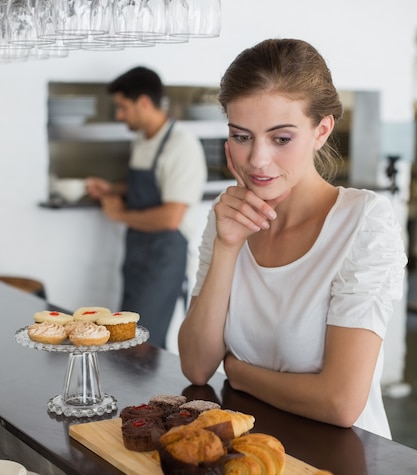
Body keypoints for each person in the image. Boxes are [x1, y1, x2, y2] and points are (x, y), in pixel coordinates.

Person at [178, 38, 407, 439]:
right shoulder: (229, 215)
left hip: (342, 469)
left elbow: (339, 402)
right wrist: (229, 247)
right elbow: (197, 366)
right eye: (241, 136)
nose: (256, 160)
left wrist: (239, 373)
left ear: (321, 130)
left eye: (281, 139)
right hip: (250, 455)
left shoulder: (363, 222)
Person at [87, 67, 207, 349]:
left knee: (145, 345)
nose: (118, 115)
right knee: (124, 336)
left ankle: (157, 396)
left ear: (143, 102)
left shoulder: (181, 146)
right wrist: (112, 188)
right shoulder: (142, 139)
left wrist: (118, 214)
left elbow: (171, 217)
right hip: (137, 255)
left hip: (163, 261)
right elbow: (146, 185)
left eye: (122, 107)